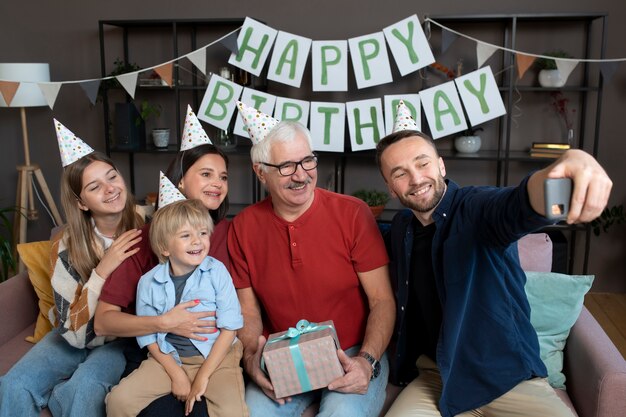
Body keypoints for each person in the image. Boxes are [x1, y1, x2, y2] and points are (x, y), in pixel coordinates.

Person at [376, 120, 612, 417]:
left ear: (441, 166)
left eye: (422, 164)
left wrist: (569, 164)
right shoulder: (400, 229)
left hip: (508, 379)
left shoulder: (477, 209)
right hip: (438, 378)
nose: (416, 178)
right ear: (390, 186)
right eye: (400, 173)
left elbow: (521, 204)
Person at [228, 102, 396, 417]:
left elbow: (382, 301)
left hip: (351, 351)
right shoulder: (244, 227)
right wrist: (251, 358)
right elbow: (248, 313)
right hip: (282, 356)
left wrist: (366, 361)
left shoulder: (353, 213)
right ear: (260, 171)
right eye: (287, 166)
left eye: (307, 161)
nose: (301, 175)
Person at [0, 120, 143, 417]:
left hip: (119, 342)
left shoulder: (150, 229)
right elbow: (73, 335)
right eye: (94, 186)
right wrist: (103, 270)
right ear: (81, 203)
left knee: (85, 388)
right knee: (13, 385)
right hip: (71, 336)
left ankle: (63, 394)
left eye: (112, 177)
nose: (110, 189)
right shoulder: (65, 246)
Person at [94, 107, 229, 417]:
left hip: (214, 354)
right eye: (206, 174)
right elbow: (103, 321)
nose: (218, 183)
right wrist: (163, 322)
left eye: (223, 176)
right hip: (157, 353)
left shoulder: (229, 233)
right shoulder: (145, 239)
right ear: (180, 182)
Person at [106, 198, 247, 417]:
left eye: (202, 233)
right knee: (119, 401)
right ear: (164, 248)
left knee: (232, 411)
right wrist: (177, 374)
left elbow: (230, 329)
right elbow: (149, 336)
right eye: (185, 235)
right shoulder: (148, 282)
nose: (197, 241)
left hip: (217, 358)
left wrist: (202, 377)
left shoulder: (217, 272)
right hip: (168, 358)